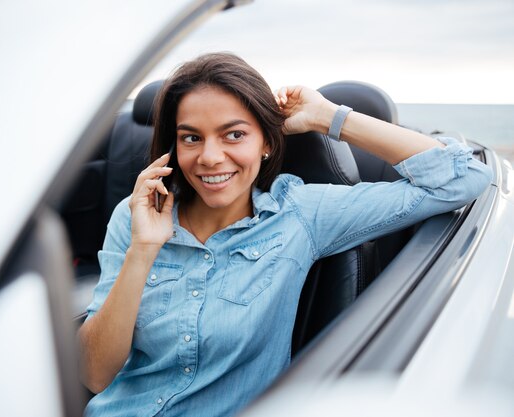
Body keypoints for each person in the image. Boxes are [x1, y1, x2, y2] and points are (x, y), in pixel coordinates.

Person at [78, 52, 492, 416]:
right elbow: (96, 375)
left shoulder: (300, 213)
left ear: (266, 144)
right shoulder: (137, 214)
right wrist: (143, 250)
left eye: (234, 134)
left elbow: (463, 177)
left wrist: (331, 118)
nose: (209, 157)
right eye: (192, 138)